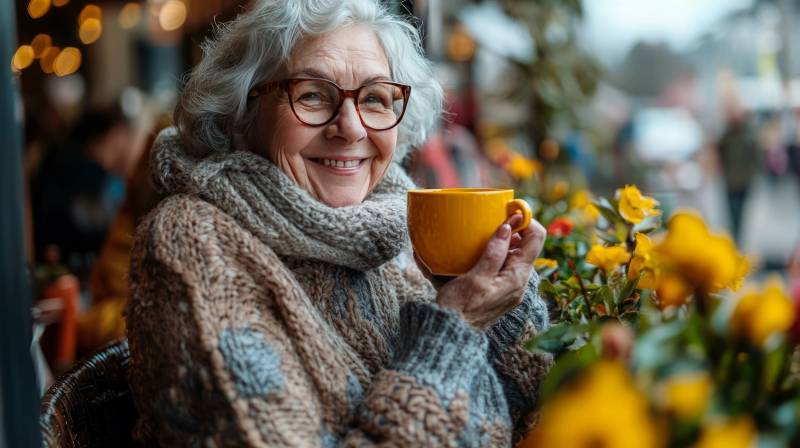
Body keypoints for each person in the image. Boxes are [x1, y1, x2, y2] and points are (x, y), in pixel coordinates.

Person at [126, 1, 550, 446]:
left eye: (374, 98)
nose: (350, 128)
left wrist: (502, 296)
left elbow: (515, 407)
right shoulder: (193, 242)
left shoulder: (390, 223)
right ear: (240, 117)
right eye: (311, 94)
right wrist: (455, 328)